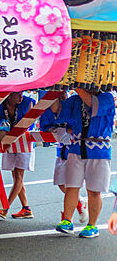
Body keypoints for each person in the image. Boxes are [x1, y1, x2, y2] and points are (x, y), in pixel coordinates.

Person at [53, 88, 115, 238]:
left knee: (94, 190)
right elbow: (58, 111)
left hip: (99, 150)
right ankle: (67, 220)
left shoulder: (107, 97)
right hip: (76, 147)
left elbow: (93, 105)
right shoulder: (75, 100)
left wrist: (76, 87)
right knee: (71, 186)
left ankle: (92, 226)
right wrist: (52, 93)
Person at [40, 94, 88, 224]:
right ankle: (79, 201)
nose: (62, 95)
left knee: (72, 185)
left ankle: (67, 217)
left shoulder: (73, 106)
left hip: (74, 151)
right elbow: (45, 127)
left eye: (64, 92)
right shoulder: (51, 109)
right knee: (60, 183)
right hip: (61, 151)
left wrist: (67, 130)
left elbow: (75, 128)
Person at [0, 92, 35, 219]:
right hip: (8, 140)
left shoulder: (28, 102)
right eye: (18, 94)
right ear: (9, 95)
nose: (21, 96)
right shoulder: (0, 104)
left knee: (19, 175)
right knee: (15, 175)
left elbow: (29, 123)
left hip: (24, 140)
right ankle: (26, 208)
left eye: (22, 93)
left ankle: (5, 207)